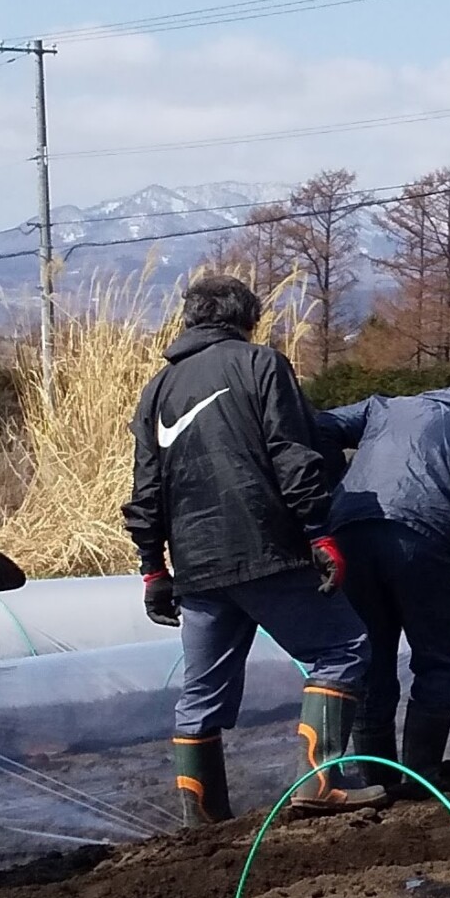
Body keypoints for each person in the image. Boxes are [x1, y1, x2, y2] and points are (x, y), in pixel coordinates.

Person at [124, 274, 375, 826]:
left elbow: (146, 489)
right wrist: (319, 532)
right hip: (267, 549)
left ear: (189, 321)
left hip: (195, 567)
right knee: (343, 647)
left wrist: (153, 568)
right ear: (247, 319)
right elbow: (292, 454)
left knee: (201, 692)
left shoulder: (157, 390)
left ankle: (204, 820)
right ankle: (323, 782)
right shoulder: (262, 365)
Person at [318, 386, 450, 797]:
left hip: (348, 533)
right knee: (439, 663)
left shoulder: (384, 408)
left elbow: (319, 425)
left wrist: (336, 487)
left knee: (371, 663)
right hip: (421, 541)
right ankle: (420, 779)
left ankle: (375, 782)